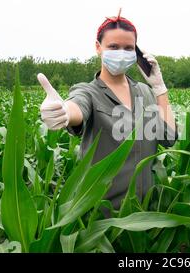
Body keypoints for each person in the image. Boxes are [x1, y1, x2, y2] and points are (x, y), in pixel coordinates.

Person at [37, 10, 178, 218]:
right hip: (100, 217)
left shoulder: (145, 93)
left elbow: (169, 138)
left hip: (143, 214)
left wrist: (160, 89)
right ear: (98, 47)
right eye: (113, 47)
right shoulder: (88, 91)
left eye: (128, 48)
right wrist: (64, 112)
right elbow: (77, 107)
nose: (121, 52)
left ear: (136, 53)